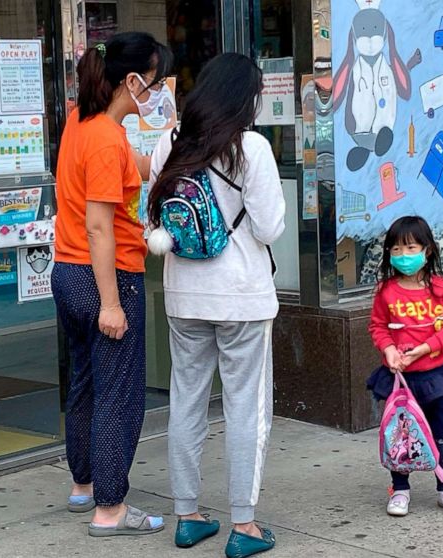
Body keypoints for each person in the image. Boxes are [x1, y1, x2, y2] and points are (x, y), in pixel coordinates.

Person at [147, 53, 285, 558]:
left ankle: (187, 515)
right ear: (245, 97)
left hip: (184, 295)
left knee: (186, 402)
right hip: (243, 296)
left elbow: (156, 213)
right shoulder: (250, 147)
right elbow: (270, 229)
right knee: (247, 408)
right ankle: (243, 526)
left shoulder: (170, 142)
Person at [51, 32, 172, 537]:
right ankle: (111, 507)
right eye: (157, 82)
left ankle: (84, 485)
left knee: (85, 384)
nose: (160, 92)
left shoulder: (84, 123)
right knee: (117, 393)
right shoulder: (105, 138)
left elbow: (130, 169)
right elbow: (100, 225)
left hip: (67, 271)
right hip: (105, 278)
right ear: (132, 81)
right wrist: (111, 303)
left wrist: (168, 159)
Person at [367, 216, 443, 517]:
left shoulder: (442, 289)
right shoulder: (385, 291)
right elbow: (378, 327)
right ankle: (400, 489)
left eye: (410, 247)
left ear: (427, 250)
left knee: (441, 430)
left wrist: (423, 350)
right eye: (396, 250)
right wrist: (388, 350)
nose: (403, 256)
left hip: (436, 375)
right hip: (400, 379)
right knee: (400, 435)